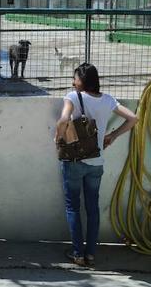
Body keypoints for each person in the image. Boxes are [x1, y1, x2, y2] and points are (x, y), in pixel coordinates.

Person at [55, 63, 137, 267]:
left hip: (74, 161)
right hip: (96, 162)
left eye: (75, 78)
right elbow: (133, 118)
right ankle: (90, 253)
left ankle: (77, 254)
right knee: (93, 208)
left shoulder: (73, 96)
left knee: (73, 207)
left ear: (82, 81)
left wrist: (58, 137)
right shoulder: (108, 100)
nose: (73, 82)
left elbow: (64, 119)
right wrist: (113, 136)